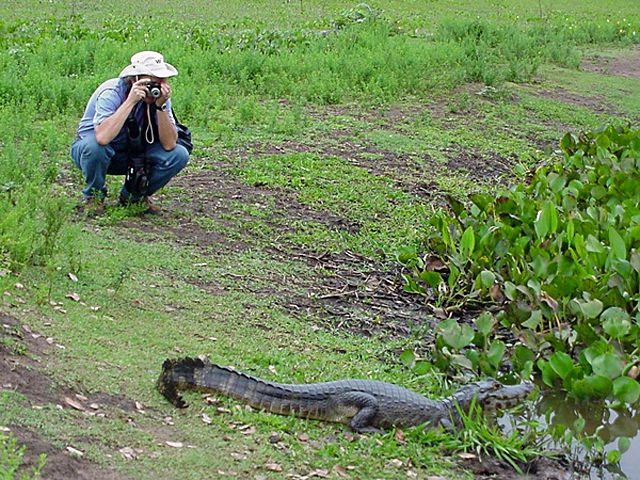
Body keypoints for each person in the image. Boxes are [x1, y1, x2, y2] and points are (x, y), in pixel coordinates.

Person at [71, 51, 190, 216]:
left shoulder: (161, 97)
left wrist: (160, 107)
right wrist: (130, 102)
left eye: (162, 80)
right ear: (136, 79)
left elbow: (169, 144)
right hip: (99, 154)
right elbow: (102, 138)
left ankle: (134, 197)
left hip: (136, 153)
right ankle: (95, 197)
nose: (157, 87)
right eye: (152, 82)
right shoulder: (111, 92)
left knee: (179, 154)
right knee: (95, 146)